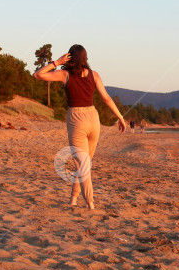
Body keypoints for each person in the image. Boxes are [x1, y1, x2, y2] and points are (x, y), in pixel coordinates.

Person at [34, 44, 127, 209]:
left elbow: (38, 74)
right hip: (93, 118)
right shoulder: (94, 75)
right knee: (84, 163)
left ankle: (90, 203)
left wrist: (56, 62)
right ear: (85, 58)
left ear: (70, 57)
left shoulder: (64, 74)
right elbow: (106, 98)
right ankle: (73, 199)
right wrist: (120, 117)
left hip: (77, 119)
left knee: (82, 164)